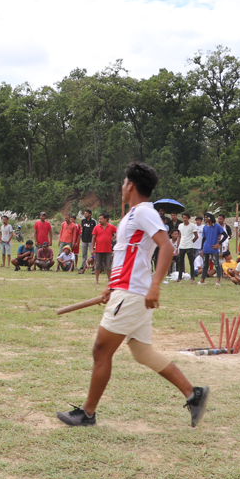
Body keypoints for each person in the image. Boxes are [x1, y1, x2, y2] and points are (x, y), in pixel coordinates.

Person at [56, 161, 209, 429]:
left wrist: (156, 285)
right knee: (143, 353)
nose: (121, 186)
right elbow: (128, 256)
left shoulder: (143, 213)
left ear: (132, 186)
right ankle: (193, 394)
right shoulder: (132, 215)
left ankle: (87, 413)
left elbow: (166, 247)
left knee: (101, 351)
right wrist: (111, 285)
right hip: (126, 290)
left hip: (132, 294)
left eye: (124, 182)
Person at [197, 214, 226, 286]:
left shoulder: (217, 226)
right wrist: (201, 249)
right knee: (205, 264)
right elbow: (204, 238)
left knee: (216, 264)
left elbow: (225, 235)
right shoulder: (205, 227)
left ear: (210, 218)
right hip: (206, 248)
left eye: (206, 217)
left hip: (214, 248)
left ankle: (218, 280)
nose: (205, 219)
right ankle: (202, 280)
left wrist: (219, 243)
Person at [91, 213, 116, 285]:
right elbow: (93, 238)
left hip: (108, 250)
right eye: (99, 219)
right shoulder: (96, 227)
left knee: (108, 266)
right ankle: (96, 280)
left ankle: (109, 280)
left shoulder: (111, 227)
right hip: (98, 250)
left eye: (101, 219)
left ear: (106, 219)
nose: (100, 220)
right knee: (97, 265)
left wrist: (113, 238)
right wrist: (92, 249)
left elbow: (119, 232)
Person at [176, 213, 198, 282]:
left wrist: (191, 242)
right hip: (182, 246)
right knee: (181, 262)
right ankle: (179, 278)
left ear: (188, 218)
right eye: (183, 218)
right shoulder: (180, 226)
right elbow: (179, 236)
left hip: (189, 246)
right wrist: (177, 246)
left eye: (186, 218)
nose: (185, 219)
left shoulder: (192, 226)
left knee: (191, 262)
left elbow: (196, 236)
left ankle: (192, 278)